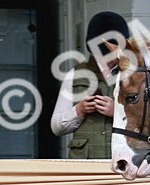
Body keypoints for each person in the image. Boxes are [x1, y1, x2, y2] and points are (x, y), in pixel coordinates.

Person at [51, 11, 128, 159]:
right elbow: (56, 127)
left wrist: (117, 112)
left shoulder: (133, 75)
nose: (109, 58)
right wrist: (79, 110)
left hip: (123, 161)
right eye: (102, 53)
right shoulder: (75, 74)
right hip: (84, 165)